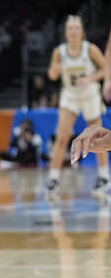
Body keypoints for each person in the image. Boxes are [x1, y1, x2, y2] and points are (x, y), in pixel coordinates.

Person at [45, 15, 107, 197]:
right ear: (65, 32)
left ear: (81, 31)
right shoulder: (59, 51)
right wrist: (54, 71)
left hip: (89, 94)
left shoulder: (90, 50)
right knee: (62, 137)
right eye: (70, 28)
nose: (73, 31)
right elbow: (51, 74)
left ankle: (104, 176)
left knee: (97, 136)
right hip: (70, 95)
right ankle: (53, 179)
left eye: (76, 28)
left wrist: (90, 78)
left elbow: (106, 69)